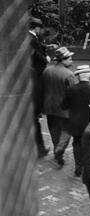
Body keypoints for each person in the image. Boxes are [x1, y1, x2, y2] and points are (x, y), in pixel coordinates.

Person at [60, 65, 90, 176]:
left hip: (76, 123)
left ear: (78, 76)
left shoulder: (70, 90)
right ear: (89, 75)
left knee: (77, 144)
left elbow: (64, 106)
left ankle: (78, 167)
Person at [42, 46, 78, 166]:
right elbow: (73, 93)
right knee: (67, 130)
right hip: (64, 109)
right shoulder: (69, 74)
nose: (71, 60)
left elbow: (42, 89)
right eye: (69, 58)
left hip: (49, 107)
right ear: (63, 60)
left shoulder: (47, 70)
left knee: (54, 131)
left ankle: (57, 148)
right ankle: (60, 149)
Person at [30, 17, 50, 157]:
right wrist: (45, 59)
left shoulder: (32, 38)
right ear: (36, 28)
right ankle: (40, 150)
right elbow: (36, 54)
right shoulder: (30, 39)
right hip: (36, 75)